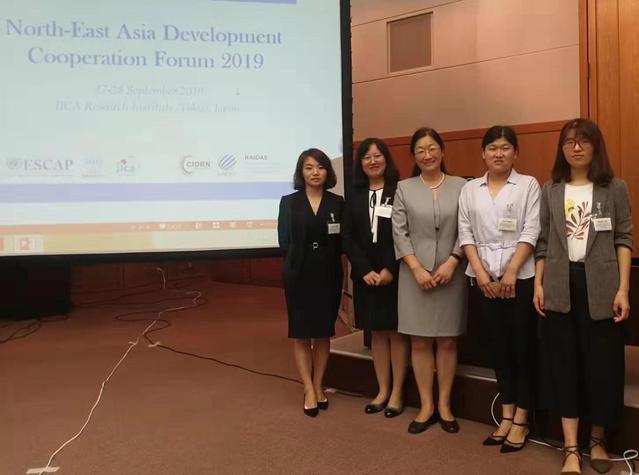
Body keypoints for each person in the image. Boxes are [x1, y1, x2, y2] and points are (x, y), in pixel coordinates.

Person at [534, 118, 632, 475]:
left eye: (583, 141)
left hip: (603, 287)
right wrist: (539, 284)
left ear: (595, 146)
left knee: (603, 366)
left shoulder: (614, 187)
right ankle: (571, 448)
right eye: (569, 142)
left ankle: (598, 440)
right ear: (562, 149)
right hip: (560, 284)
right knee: (564, 364)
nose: (575, 148)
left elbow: (623, 238)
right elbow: (544, 242)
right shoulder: (551, 189)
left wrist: (623, 288)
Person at [458, 125, 540, 453]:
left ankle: (522, 417)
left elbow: (531, 230)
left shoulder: (528, 185)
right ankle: (506, 413)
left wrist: (511, 273)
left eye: (505, 147)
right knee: (498, 348)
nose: (498, 153)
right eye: (492, 148)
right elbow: (465, 232)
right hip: (484, 281)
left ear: (515, 153)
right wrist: (480, 274)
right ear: (483, 153)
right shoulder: (470, 189)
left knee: (522, 348)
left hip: (519, 280)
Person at [392, 127, 467, 434]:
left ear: (442, 151)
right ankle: (426, 406)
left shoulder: (462, 186)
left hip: (452, 273)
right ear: (414, 156)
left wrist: (453, 260)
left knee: (447, 341)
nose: (427, 155)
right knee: (419, 341)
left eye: (432, 148)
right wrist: (417, 268)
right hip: (414, 276)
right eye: (420, 150)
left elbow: (468, 228)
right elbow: (399, 232)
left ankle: (445, 405)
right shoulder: (404, 188)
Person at [342, 138, 409, 417]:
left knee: (395, 333)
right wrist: (363, 270)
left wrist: (389, 269)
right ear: (360, 163)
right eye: (367, 157)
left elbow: (403, 234)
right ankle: (382, 390)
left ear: (386, 159)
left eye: (378, 155)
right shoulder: (353, 195)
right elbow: (348, 237)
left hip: (394, 274)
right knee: (377, 334)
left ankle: (397, 393)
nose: (373, 161)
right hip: (365, 276)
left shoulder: (400, 191)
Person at [277, 148, 344, 417]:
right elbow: (284, 241)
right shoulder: (288, 202)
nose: (315, 172)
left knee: (323, 332)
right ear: (301, 172)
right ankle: (307, 387)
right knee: (302, 333)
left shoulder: (337, 202)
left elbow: (342, 241)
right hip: (298, 275)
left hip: (328, 274)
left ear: (327, 171)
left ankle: (318, 385)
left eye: (320, 167)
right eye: (309, 167)